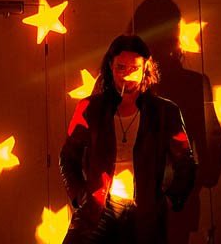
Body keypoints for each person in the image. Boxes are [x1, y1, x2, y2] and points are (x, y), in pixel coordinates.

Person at [60, 34, 196, 244]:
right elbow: (68, 156)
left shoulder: (164, 111)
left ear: (145, 68)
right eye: (121, 67)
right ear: (110, 67)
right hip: (98, 209)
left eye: (134, 68)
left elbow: (185, 161)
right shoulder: (90, 108)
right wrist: (80, 195)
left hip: (144, 213)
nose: (127, 75)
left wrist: (170, 199)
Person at [130, 0, 221, 244]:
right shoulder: (193, 84)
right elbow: (213, 148)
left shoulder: (120, 83)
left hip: (134, 209)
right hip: (171, 209)